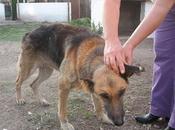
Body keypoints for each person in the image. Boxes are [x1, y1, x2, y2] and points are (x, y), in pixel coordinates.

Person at [103, 0, 175, 130]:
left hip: (164, 4)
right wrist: (111, 40)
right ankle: (160, 110)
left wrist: (129, 45)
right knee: (164, 55)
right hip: (165, 6)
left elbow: (161, 6)